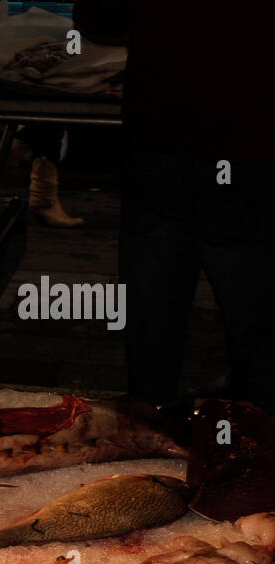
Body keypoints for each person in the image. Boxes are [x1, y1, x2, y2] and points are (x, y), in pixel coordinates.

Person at [74, 0, 274, 413]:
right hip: (246, 144)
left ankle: (153, 433)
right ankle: (254, 437)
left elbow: (100, 19)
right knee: (254, 323)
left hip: (164, 141)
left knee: (154, 322)